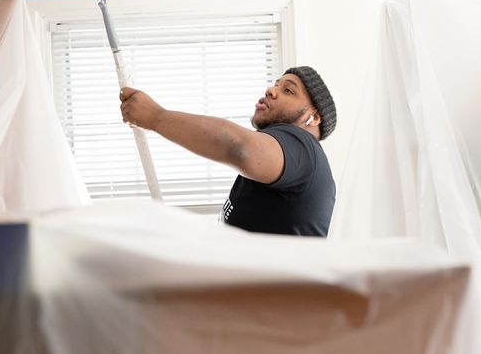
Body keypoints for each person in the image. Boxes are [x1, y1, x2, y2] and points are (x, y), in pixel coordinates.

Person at [119, 66, 337, 237]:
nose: (270, 91)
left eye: (287, 90)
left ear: (314, 117)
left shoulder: (303, 147)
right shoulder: (283, 160)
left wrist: (156, 117)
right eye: (275, 85)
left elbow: (240, 148)